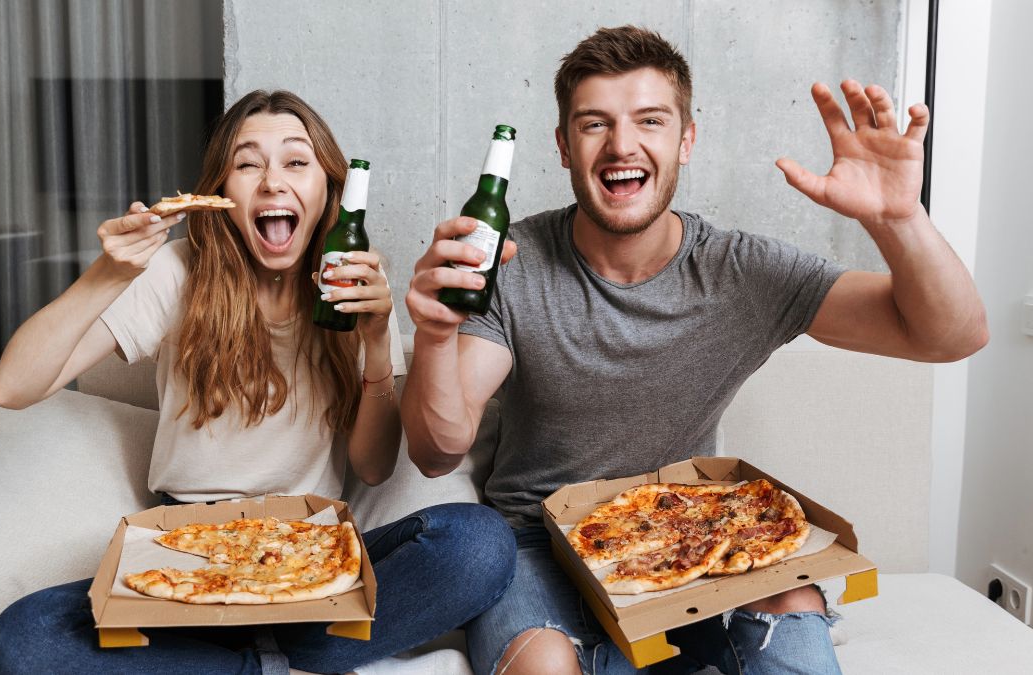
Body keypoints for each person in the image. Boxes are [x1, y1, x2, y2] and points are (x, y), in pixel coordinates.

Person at [402, 25, 987, 675]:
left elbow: (953, 336)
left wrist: (898, 219)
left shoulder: (743, 272)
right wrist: (432, 334)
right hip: (538, 544)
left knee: (792, 598)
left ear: (686, 140)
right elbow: (438, 448)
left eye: (649, 120)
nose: (622, 145)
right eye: (595, 124)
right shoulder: (511, 262)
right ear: (564, 147)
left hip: (690, 539)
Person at [0, 89, 515, 675]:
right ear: (220, 194)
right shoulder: (178, 272)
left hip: (311, 560)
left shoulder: (356, 281)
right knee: (24, 638)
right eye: (247, 163)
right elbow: (12, 388)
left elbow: (372, 469)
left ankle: (252, 658)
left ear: (328, 188)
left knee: (481, 544)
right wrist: (109, 273)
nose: (271, 183)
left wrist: (374, 343)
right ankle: (268, 667)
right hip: (186, 554)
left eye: (295, 161)